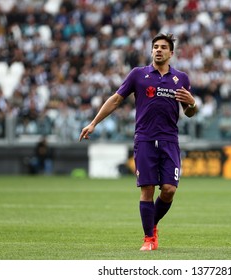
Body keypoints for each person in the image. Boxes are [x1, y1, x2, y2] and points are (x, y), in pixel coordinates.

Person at [79, 33, 197, 251]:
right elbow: (115, 100)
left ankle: (152, 225)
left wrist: (193, 104)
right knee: (147, 190)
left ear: (171, 53)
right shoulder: (138, 75)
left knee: (169, 189)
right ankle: (149, 239)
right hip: (144, 139)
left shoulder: (181, 78)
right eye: (155, 47)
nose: (158, 50)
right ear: (151, 51)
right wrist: (94, 123)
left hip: (169, 140)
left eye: (163, 47)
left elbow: (189, 112)